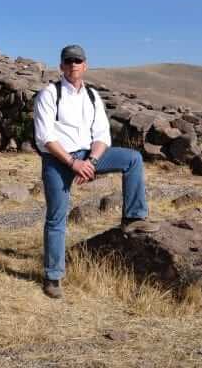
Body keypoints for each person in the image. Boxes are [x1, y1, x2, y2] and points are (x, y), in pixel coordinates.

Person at [33, 44, 158, 299]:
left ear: (85, 65)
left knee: (132, 159)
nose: (73, 65)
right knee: (57, 218)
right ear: (61, 66)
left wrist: (90, 161)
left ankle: (133, 218)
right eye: (68, 61)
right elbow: (45, 137)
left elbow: (102, 135)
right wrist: (73, 163)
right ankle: (53, 276)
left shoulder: (92, 96)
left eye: (77, 60)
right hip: (58, 160)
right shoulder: (49, 94)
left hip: (88, 156)